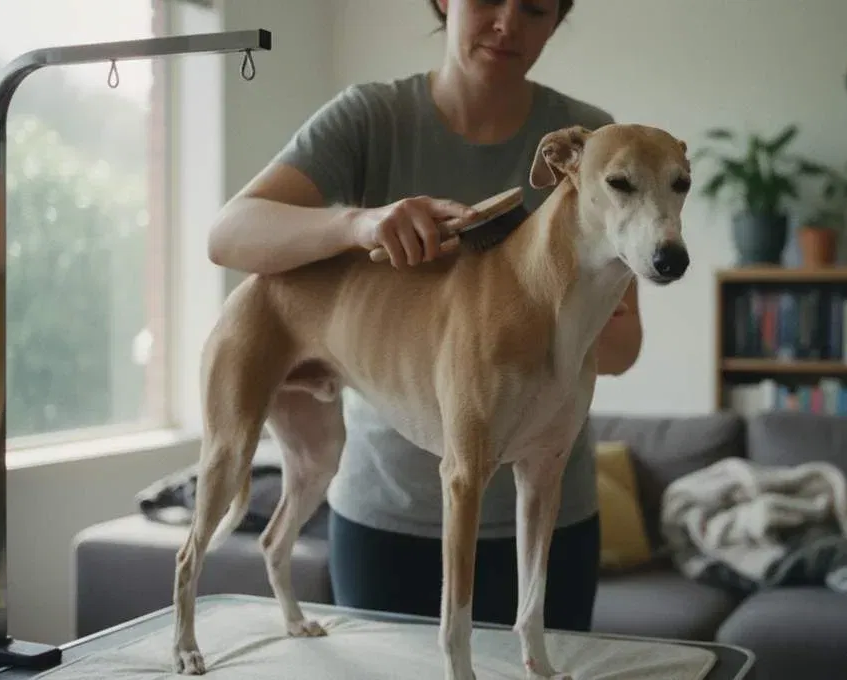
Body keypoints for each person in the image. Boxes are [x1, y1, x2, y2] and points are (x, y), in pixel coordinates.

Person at [205, 0, 642, 633]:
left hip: (551, 520)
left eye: (537, 8)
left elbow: (623, 351)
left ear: (557, 20)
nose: (508, 24)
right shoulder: (370, 120)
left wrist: (577, 294)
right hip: (389, 517)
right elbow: (228, 234)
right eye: (488, 0)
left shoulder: (596, 142)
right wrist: (359, 224)